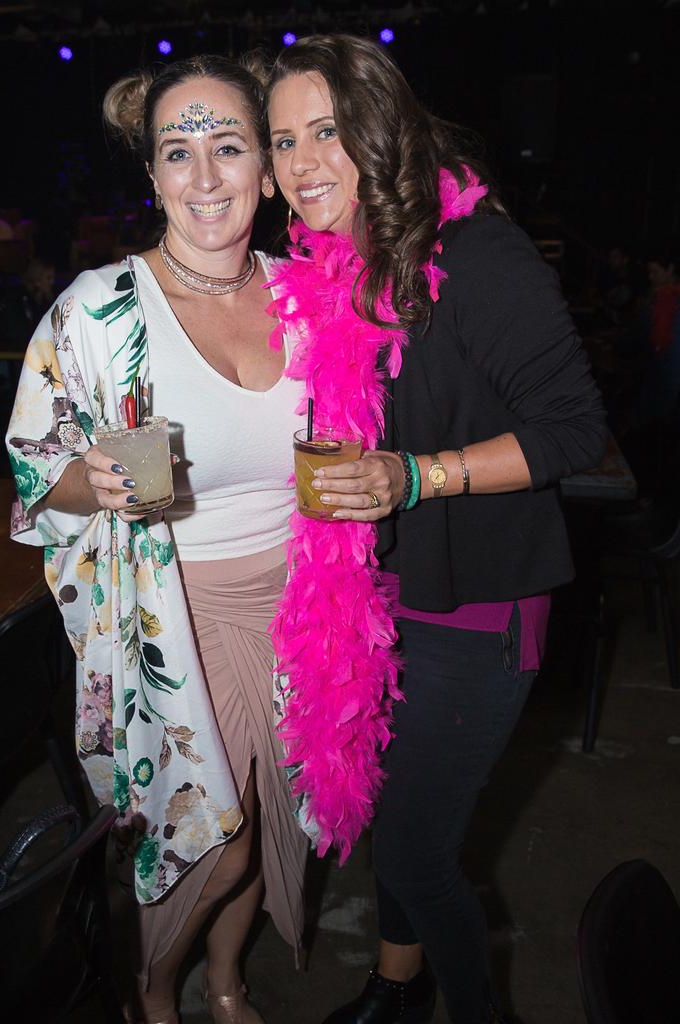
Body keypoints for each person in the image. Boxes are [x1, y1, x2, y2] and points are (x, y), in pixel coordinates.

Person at [265, 35, 608, 1024]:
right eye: (285, 139)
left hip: (482, 606)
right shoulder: (341, 270)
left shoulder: (475, 252)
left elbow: (575, 429)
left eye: (325, 129)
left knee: (418, 846)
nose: (301, 160)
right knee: (390, 813)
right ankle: (394, 987)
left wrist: (418, 476)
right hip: (392, 600)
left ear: (381, 132)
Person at [6, 55, 308, 1024]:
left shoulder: (316, 301)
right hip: (175, 613)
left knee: (267, 836)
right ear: (153, 177)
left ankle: (225, 981)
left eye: (229, 146)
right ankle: (152, 990)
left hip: (305, 612)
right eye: (179, 151)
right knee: (211, 837)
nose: (206, 174)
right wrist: (82, 478)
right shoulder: (96, 313)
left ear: (267, 169)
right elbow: (29, 466)